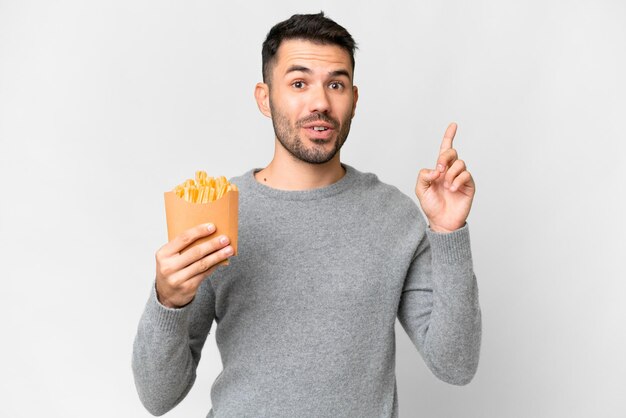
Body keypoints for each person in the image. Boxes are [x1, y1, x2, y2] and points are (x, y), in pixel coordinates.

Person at [132, 11, 481, 418]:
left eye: (336, 84)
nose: (320, 102)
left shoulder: (394, 215)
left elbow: (456, 365)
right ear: (265, 98)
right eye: (299, 83)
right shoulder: (218, 210)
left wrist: (448, 231)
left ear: (354, 98)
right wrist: (168, 300)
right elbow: (158, 397)